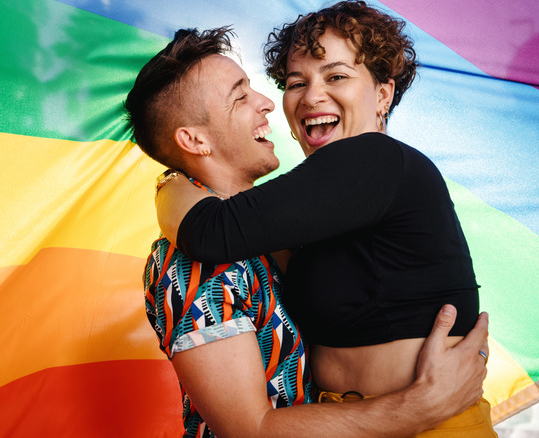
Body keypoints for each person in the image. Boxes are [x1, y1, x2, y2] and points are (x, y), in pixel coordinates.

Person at [127, 24, 490, 438]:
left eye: (336, 76)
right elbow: (250, 428)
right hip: (395, 416)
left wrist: (169, 184)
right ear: (193, 139)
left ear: (383, 95)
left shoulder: (374, 159)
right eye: (296, 82)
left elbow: (211, 229)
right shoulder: (230, 247)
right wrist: (418, 407)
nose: (274, 101)